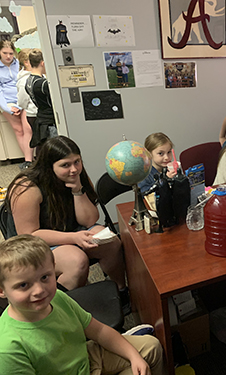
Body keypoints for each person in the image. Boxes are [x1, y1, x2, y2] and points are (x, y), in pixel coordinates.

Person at [0, 234, 164, 375]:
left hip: (85, 357)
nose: (39, 290)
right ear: (2, 290)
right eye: (23, 285)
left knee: (151, 348)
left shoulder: (57, 297)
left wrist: (133, 356)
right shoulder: (8, 348)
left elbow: (98, 330)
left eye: (45, 278)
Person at [5, 136, 128, 298]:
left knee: (110, 242)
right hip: (33, 245)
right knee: (77, 261)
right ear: (49, 167)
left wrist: (77, 191)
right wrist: (73, 237)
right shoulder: (27, 188)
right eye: (65, 165)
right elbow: (29, 235)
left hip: (70, 230)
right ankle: (65, 309)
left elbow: (90, 220)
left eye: (77, 161)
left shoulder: (76, 175)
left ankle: (120, 292)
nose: (74, 169)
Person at [0, 40, 34, 168]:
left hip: (23, 100)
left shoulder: (19, 64)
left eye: (10, 53)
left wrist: (21, 104)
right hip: (7, 103)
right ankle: (28, 162)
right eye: (5, 53)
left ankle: (30, 160)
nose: (8, 56)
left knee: (28, 129)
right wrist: (7, 108)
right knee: (19, 130)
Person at [25, 48, 58, 149]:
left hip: (40, 117)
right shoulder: (43, 84)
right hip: (50, 121)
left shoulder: (28, 81)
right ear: (43, 63)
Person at [16, 48, 38, 149]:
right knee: (38, 140)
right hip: (32, 113)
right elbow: (22, 100)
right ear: (26, 63)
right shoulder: (24, 80)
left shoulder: (38, 75)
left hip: (38, 112)